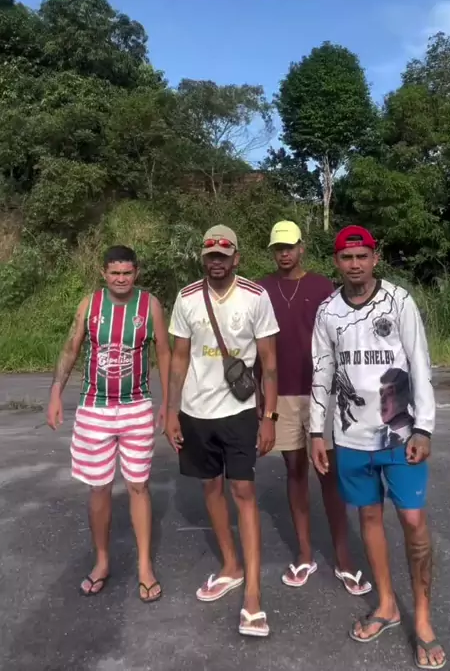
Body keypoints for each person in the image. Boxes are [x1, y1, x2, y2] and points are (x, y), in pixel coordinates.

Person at [310, 226, 446, 670]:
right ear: (336, 261)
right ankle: (387, 605)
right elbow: (322, 372)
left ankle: (422, 620)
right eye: (346, 257)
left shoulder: (399, 301)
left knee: (412, 520)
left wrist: (424, 428)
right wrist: (316, 433)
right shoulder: (328, 311)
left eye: (362, 256)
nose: (355, 264)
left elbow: (420, 362)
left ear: (375, 258)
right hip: (351, 436)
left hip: (401, 435)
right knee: (368, 517)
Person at [164, 225, 279, 638]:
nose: (217, 261)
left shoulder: (255, 296)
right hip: (196, 412)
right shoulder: (186, 297)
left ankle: (254, 594)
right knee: (210, 488)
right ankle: (231, 565)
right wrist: (171, 411)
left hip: (240, 411)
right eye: (210, 255)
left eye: (224, 255)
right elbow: (179, 358)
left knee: (243, 491)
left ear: (236, 258)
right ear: (203, 258)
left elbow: (270, 362)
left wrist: (270, 417)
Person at [46, 245, 171, 603]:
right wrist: (55, 393)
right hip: (94, 409)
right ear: (104, 273)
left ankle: (144, 566)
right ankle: (101, 562)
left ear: (136, 273)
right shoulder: (90, 305)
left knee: (138, 486)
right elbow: (71, 348)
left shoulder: (150, 306)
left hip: (136, 407)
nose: (120, 279)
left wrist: (168, 402)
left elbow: (164, 352)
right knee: (99, 488)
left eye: (127, 273)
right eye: (114, 273)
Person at [257, 220, 371, 594]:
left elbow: (343, 336)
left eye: (289, 247)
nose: (284, 253)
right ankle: (305, 554)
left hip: (324, 393)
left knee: (329, 474)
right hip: (281, 394)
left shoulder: (323, 287)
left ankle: (343, 558)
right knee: (294, 470)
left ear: (301, 248)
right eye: (278, 248)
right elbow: (255, 346)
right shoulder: (261, 289)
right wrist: (261, 400)